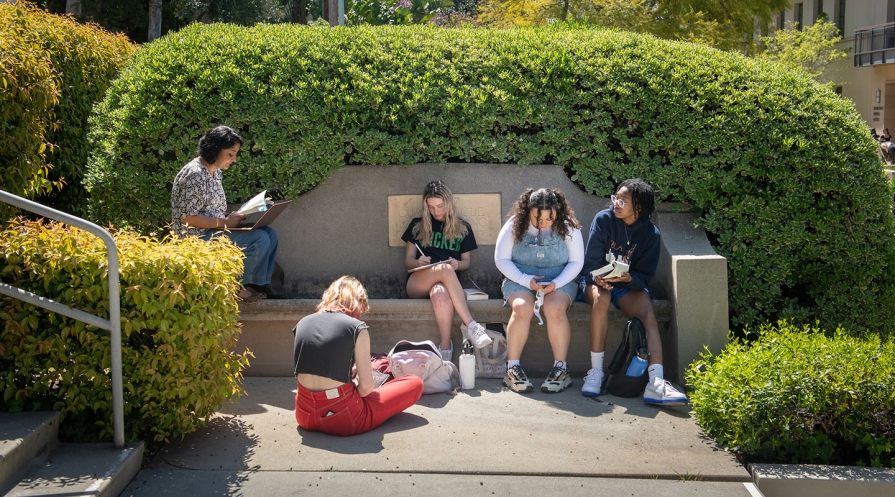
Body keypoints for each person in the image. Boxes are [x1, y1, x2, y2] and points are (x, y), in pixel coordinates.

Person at [580, 179, 688, 405]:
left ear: (639, 207)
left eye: (623, 201)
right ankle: (596, 372)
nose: (616, 204)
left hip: (627, 286)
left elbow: (644, 277)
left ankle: (655, 383)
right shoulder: (604, 220)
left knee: (647, 312)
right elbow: (589, 265)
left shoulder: (651, 234)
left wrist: (629, 278)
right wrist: (599, 278)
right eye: (615, 198)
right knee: (602, 299)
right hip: (596, 283)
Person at [293, 276, 424, 436]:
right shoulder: (356, 328)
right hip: (344, 418)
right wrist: (355, 385)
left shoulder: (303, 323)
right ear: (357, 302)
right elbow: (366, 389)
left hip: (304, 415)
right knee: (414, 383)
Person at [171, 126, 279, 303]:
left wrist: (234, 216)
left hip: (213, 230)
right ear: (215, 149)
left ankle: (256, 283)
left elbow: (210, 208)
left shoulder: (215, 172)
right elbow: (189, 218)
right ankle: (233, 287)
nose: (234, 159)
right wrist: (225, 223)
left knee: (270, 234)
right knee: (259, 238)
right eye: (231, 154)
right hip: (195, 237)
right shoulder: (194, 174)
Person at [494, 188, 584, 393]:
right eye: (537, 218)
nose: (543, 223)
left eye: (549, 218)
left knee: (554, 309)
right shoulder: (514, 224)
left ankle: (561, 369)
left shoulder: (569, 225)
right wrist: (525, 280)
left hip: (560, 279)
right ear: (527, 211)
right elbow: (501, 259)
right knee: (521, 308)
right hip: (519, 278)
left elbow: (577, 261)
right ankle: (512, 369)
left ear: (557, 213)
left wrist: (557, 283)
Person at [401, 180, 492, 361]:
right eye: (431, 207)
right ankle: (472, 325)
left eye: (440, 206)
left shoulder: (463, 228)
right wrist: (418, 262)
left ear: (448, 203)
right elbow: (408, 261)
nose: (436, 211)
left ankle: (445, 353)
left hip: (446, 285)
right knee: (443, 268)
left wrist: (458, 264)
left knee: (441, 294)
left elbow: (466, 262)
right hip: (418, 283)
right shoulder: (417, 225)